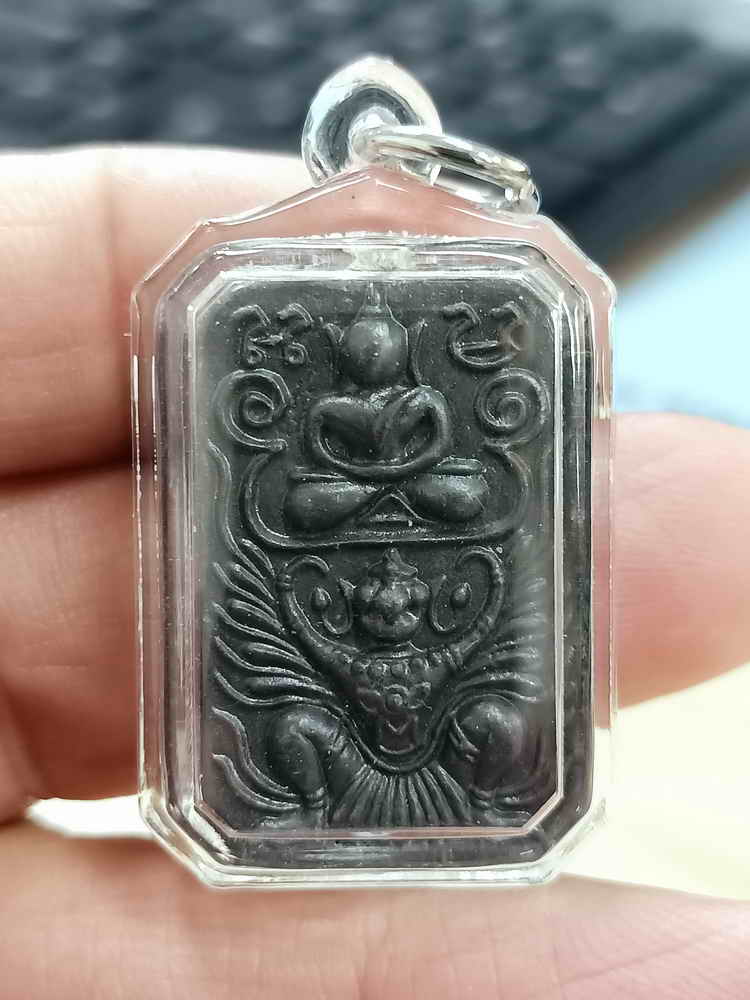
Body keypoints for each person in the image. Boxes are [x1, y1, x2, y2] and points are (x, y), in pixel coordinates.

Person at [0, 146, 747, 997]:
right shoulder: (314, 389)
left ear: (396, 351)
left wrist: (402, 492)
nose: (369, 361)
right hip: (344, 503)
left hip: (420, 498)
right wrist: (362, 498)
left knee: (460, 508)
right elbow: (310, 506)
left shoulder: (429, 395)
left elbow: (451, 501)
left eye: (378, 351)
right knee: (315, 519)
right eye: (359, 352)